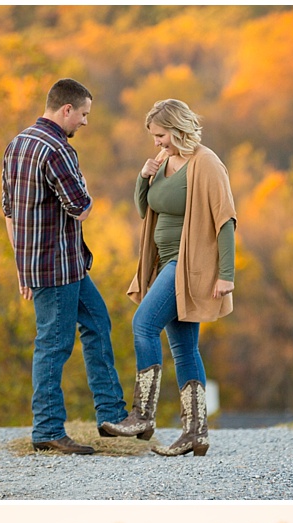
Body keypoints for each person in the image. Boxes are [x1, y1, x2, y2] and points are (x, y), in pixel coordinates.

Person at [102, 99, 237, 457]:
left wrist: (226, 275)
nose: (157, 142)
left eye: (160, 135)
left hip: (188, 265)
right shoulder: (164, 162)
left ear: (177, 129)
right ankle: (196, 432)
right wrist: (143, 177)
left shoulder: (205, 163)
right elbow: (145, 209)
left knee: (143, 325)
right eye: (154, 137)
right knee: (184, 348)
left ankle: (143, 415)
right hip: (165, 264)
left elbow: (225, 219)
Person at [2, 78, 129, 455]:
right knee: (53, 346)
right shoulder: (58, 150)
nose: (86, 123)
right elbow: (82, 208)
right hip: (57, 268)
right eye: (84, 114)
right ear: (66, 110)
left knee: (97, 322)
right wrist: (87, 188)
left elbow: (9, 211)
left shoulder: (18, 143)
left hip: (57, 265)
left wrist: (21, 266)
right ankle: (46, 429)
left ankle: (110, 415)